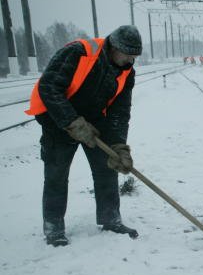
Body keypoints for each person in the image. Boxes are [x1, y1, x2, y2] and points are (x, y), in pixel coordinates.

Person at [25, 25, 142, 246]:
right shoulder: (79, 52)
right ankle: (54, 228)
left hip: (95, 122)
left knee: (107, 169)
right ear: (113, 47)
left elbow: (120, 111)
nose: (130, 61)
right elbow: (49, 87)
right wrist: (71, 122)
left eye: (134, 57)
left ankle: (111, 219)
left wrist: (119, 147)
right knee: (56, 175)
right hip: (57, 121)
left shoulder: (127, 71)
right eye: (127, 55)